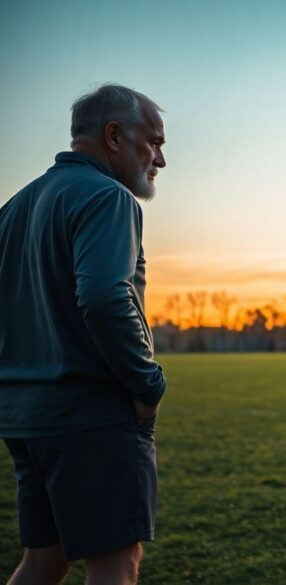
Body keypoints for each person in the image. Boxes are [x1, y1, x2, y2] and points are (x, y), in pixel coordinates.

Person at [0, 83, 168, 585]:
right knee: (116, 563)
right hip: (90, 416)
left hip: (24, 417)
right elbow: (104, 296)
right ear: (114, 136)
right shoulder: (108, 198)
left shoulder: (14, 207)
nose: (159, 159)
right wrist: (147, 383)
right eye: (153, 142)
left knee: (44, 561)